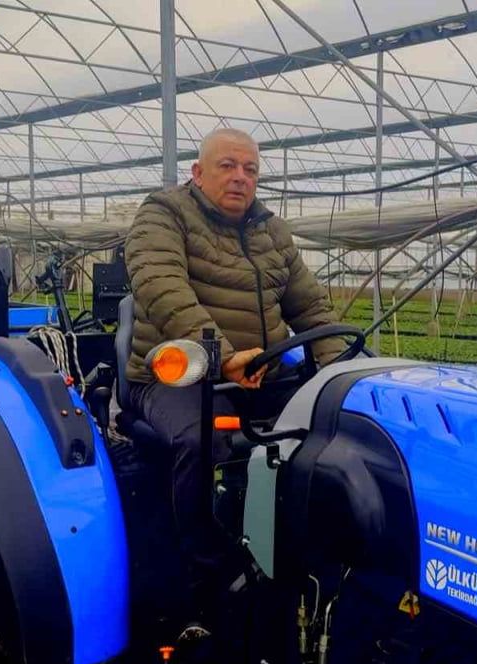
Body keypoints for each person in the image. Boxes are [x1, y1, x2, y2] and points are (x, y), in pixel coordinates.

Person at [123, 127, 347, 603]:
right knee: (203, 440)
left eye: (250, 169)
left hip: (260, 373)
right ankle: (207, 567)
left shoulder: (271, 230)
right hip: (177, 375)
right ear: (198, 172)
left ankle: (309, 547)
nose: (240, 178)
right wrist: (221, 357)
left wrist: (339, 370)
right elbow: (162, 288)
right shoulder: (163, 214)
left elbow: (311, 308)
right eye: (227, 166)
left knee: (333, 425)